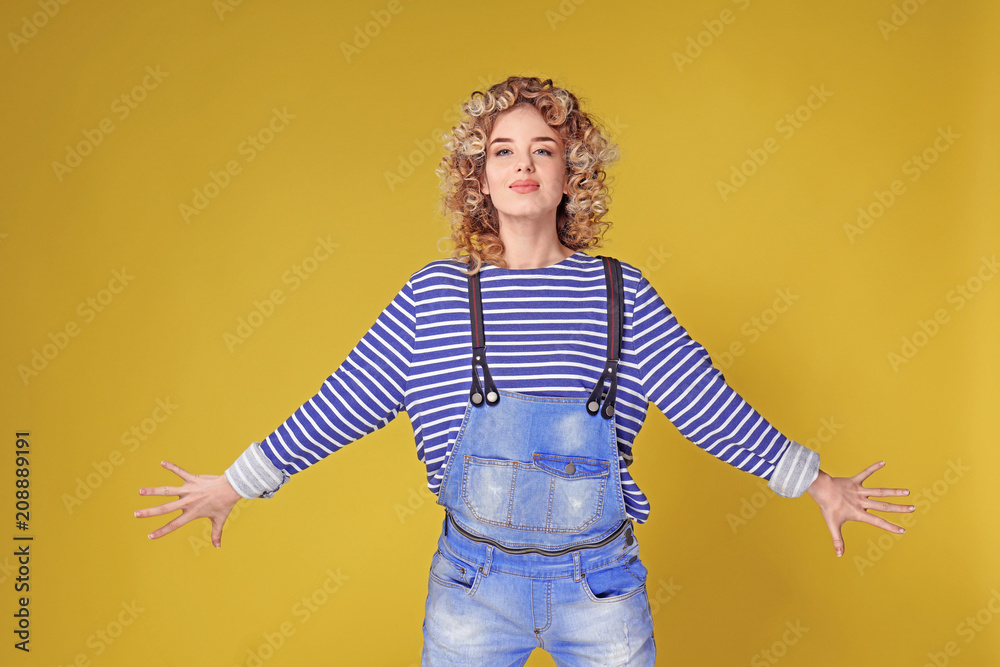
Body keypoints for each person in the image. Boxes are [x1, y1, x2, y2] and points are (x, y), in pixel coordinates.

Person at [136, 76, 914, 666]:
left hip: (601, 588)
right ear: (476, 179)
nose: (522, 164)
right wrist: (235, 481)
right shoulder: (434, 298)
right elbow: (340, 403)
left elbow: (707, 403)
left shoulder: (621, 291)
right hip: (472, 588)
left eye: (545, 149)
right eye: (501, 150)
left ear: (573, 175)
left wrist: (815, 480)